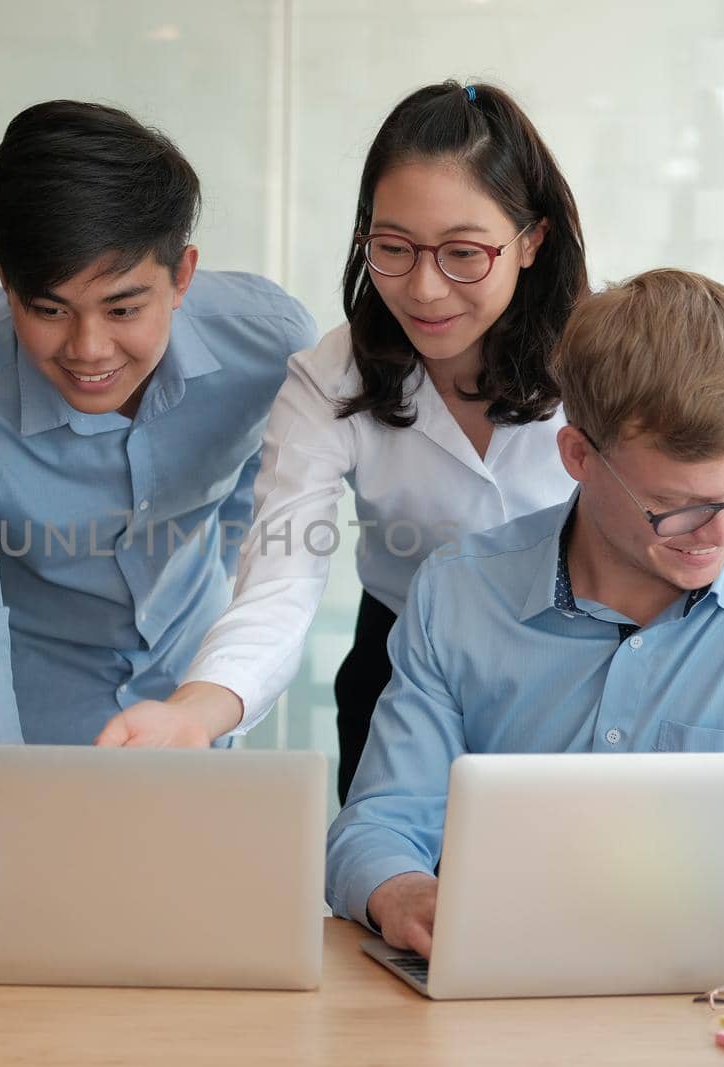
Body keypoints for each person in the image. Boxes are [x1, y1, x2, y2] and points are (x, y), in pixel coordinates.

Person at [326, 269, 724, 952]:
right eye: (680, 506)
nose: (722, 532)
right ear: (578, 457)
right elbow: (377, 825)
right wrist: (400, 887)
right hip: (510, 1001)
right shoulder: (458, 596)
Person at [96, 82, 584, 802]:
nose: (423, 288)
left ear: (531, 241)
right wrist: (195, 711)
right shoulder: (332, 378)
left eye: (463, 254)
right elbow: (278, 583)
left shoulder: (604, 359)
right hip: (404, 671)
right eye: (392, 248)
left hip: (584, 667)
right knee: (396, 895)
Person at [0, 100, 317, 748]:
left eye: (122, 308)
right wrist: (2, 808)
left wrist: (218, 593)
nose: (88, 348)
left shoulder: (269, 344)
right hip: (25, 724)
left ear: (182, 276)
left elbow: (261, 490)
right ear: (5, 275)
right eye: (49, 309)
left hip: (195, 708)